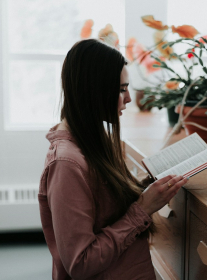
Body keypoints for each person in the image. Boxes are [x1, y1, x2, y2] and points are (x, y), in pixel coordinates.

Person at [38, 39, 188, 280]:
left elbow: (104, 211)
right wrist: (143, 209)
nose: (128, 98)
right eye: (120, 89)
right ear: (93, 91)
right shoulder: (67, 164)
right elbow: (81, 263)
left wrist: (143, 187)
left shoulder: (93, 141)